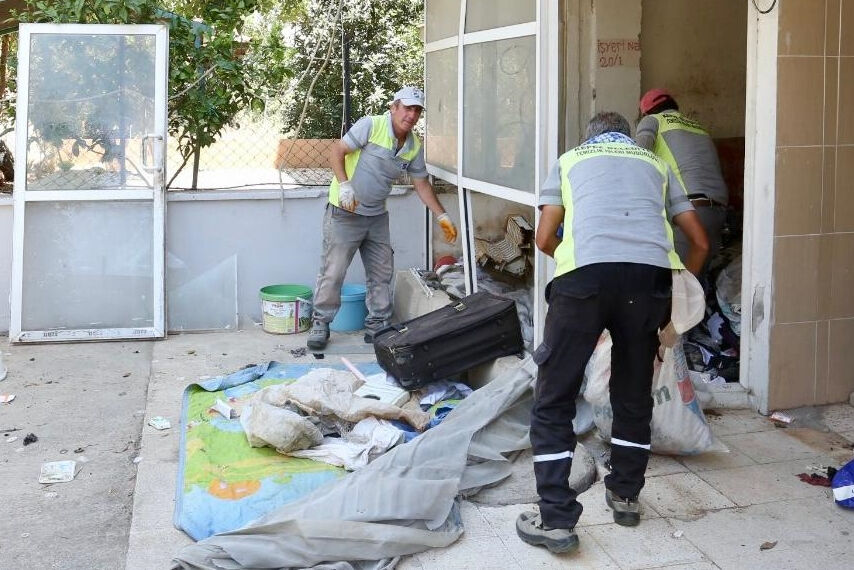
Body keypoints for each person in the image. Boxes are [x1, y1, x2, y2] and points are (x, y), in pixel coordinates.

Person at [515, 112, 708, 554]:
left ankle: (556, 520)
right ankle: (625, 496)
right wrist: (680, 290)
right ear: (624, 136)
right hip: (648, 284)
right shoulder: (655, 163)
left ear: (590, 138)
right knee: (633, 391)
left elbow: (544, 239)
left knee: (554, 397)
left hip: (583, 283)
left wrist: (587, 253)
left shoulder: (569, 160)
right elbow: (698, 241)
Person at [307, 86, 458, 350]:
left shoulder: (413, 145)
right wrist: (344, 185)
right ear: (394, 107)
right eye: (407, 108)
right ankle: (320, 323)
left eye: (417, 110)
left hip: (376, 216)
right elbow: (336, 151)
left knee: (381, 272)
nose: (411, 115)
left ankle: (377, 325)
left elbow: (422, 184)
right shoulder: (371, 125)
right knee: (333, 271)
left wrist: (441, 215)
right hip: (345, 212)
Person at [636, 88, 728, 281]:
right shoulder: (698, 126)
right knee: (695, 286)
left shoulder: (652, 121)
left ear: (646, 112)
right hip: (718, 212)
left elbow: (638, 159)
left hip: (689, 213)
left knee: (675, 288)